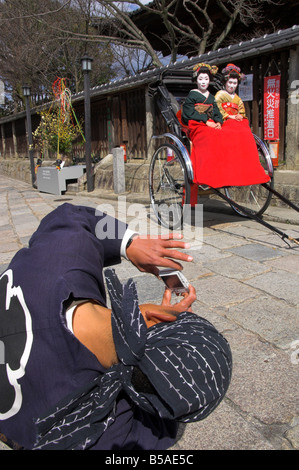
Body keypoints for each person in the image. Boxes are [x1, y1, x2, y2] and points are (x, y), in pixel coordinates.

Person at [0, 203, 232, 450]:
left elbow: (69, 216)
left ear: (154, 314)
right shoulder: (98, 430)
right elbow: (161, 429)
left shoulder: (60, 261)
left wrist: (129, 244)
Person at [181, 62, 270, 190]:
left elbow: (216, 111)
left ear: (210, 80)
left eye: (206, 79)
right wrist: (206, 120)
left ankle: (228, 171)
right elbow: (188, 113)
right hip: (197, 123)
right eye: (200, 79)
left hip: (211, 123)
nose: (203, 82)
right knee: (208, 137)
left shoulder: (211, 97)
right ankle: (206, 175)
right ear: (196, 80)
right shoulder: (192, 95)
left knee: (223, 134)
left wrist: (218, 122)